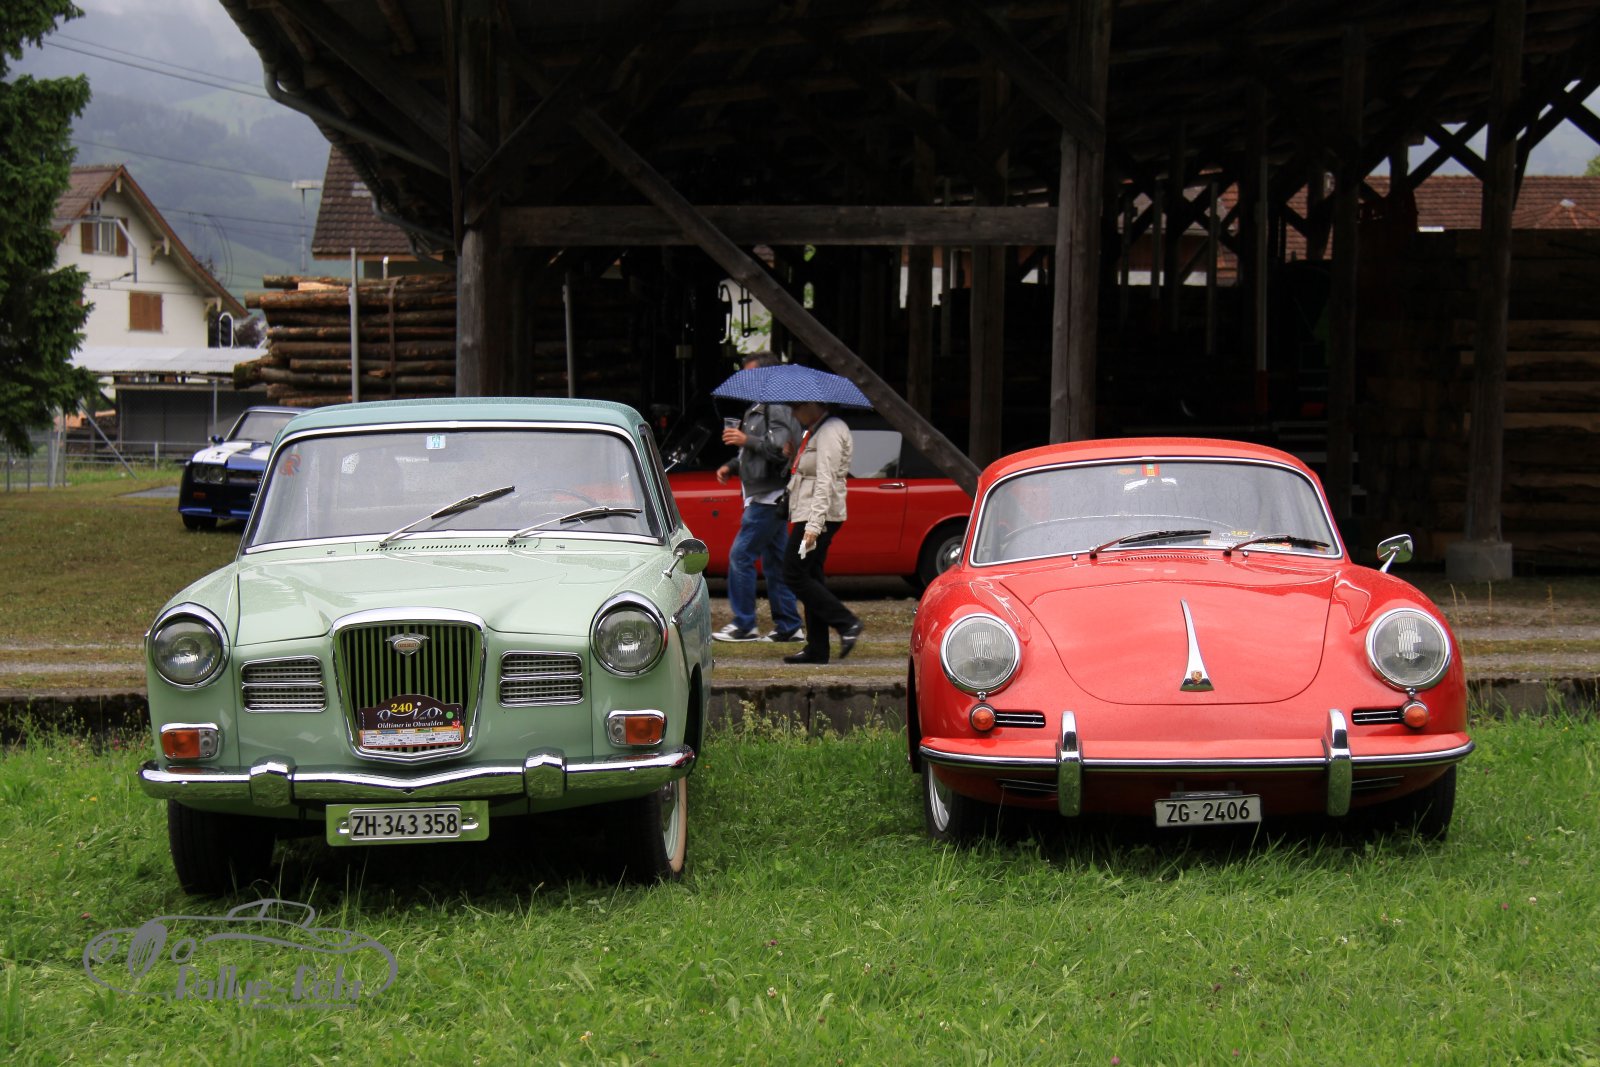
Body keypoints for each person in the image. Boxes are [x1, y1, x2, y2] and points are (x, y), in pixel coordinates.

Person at [712, 353, 806, 643]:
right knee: (775, 563)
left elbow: (780, 448)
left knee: (740, 556)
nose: (746, 379)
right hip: (766, 493)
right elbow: (754, 453)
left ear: (767, 375)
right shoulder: (760, 406)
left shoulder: (776, 406)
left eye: (750, 373)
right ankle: (789, 626)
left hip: (768, 496)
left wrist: (746, 439)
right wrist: (733, 465)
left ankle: (744, 625)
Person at [780, 399, 864, 664]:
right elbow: (808, 472)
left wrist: (814, 526)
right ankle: (817, 648)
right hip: (811, 512)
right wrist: (793, 455)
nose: (793, 413)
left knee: (793, 572)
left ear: (813, 404)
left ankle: (847, 623)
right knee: (810, 576)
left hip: (819, 515)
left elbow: (826, 479)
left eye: (796, 407)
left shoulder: (830, 430)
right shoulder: (817, 430)